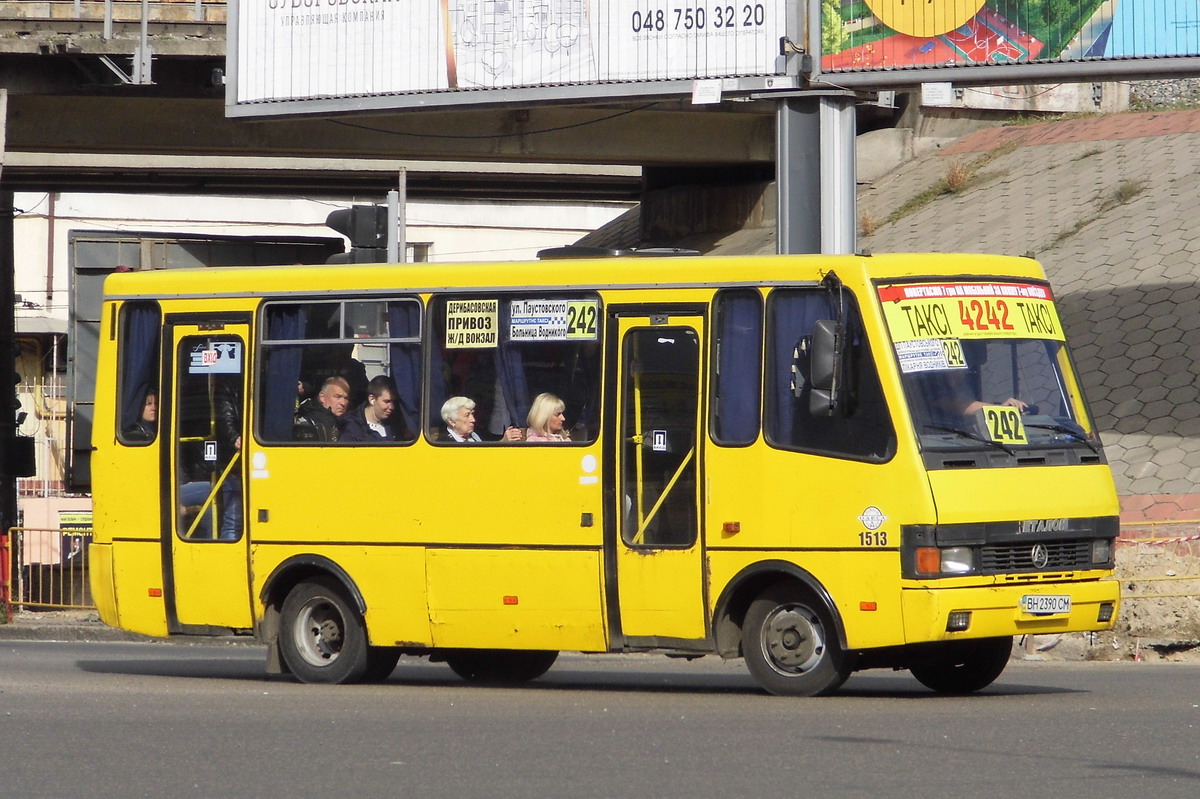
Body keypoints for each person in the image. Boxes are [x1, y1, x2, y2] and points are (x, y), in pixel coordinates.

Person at [340, 376, 402, 442]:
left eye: (394, 402)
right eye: (386, 401)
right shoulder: (352, 426)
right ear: (372, 399)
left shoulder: (394, 424)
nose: (392, 407)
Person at [441, 396, 522, 442]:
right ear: (451, 421)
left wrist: (503, 442)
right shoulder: (443, 443)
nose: (473, 420)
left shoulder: (474, 436)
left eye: (472, 414)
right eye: (467, 415)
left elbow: (486, 456)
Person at [293, 376, 350, 441]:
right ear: (322, 397)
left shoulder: (350, 424)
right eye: (337, 397)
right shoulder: (307, 424)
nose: (343, 403)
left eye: (346, 398)